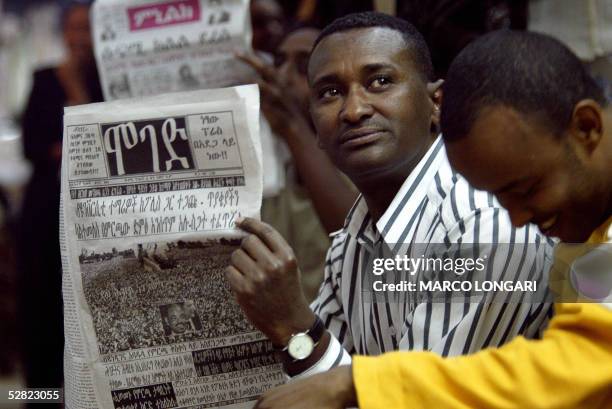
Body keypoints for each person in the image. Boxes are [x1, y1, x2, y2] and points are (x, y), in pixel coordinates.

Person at [252, 30, 612, 409]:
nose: (354, 110)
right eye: (330, 93)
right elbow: (315, 370)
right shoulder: (353, 237)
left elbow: (579, 362)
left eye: (380, 82)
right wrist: (296, 334)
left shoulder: (482, 227)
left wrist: (354, 379)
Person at [17, 0, 102, 401]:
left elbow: (96, 148)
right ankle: (41, 399)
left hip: (91, 218)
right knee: (41, 310)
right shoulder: (43, 78)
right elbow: (33, 147)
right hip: (43, 216)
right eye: (74, 29)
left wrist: (76, 91)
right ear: (64, 34)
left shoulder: (104, 84)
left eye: (88, 29)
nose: (81, 38)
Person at [239, 27, 358, 300]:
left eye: (303, 66)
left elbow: (357, 243)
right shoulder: (269, 168)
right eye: (280, 62)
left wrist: (292, 127)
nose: (282, 76)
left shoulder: (362, 163)